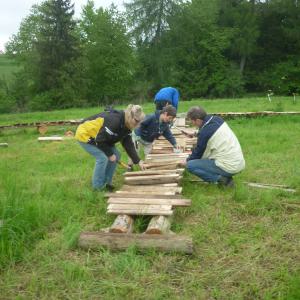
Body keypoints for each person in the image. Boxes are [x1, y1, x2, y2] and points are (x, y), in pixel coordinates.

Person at [75, 104, 146, 191]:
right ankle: (97, 187)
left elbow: (128, 144)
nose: (138, 125)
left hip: (102, 138)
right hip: (85, 134)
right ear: (130, 116)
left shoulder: (127, 124)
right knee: (102, 158)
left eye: (140, 122)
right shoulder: (115, 121)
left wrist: (138, 161)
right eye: (137, 121)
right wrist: (109, 154)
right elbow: (100, 140)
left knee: (117, 155)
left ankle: (106, 183)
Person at [182, 106, 245, 187]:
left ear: (197, 120)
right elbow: (208, 131)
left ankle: (222, 180)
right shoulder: (216, 119)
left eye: (192, 122)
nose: (193, 124)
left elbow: (199, 154)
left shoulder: (205, 134)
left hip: (230, 166)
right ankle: (225, 176)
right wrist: (196, 134)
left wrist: (186, 161)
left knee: (190, 165)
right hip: (238, 162)